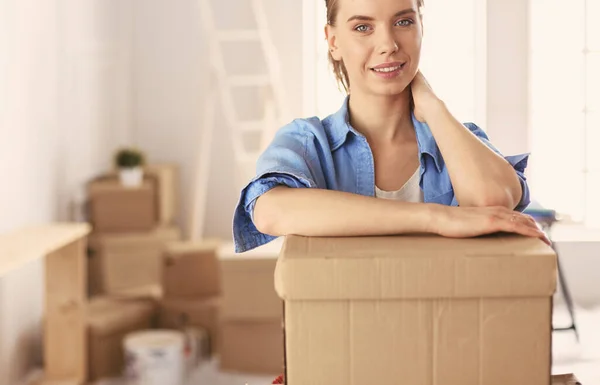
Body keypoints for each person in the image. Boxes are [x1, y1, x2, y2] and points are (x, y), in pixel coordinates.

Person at [233, 0, 548, 254]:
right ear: (333, 41)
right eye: (363, 27)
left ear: (421, 27)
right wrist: (437, 217)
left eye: (403, 21)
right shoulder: (308, 143)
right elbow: (270, 211)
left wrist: (433, 107)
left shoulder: (458, 139)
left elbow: (492, 203)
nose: (388, 44)